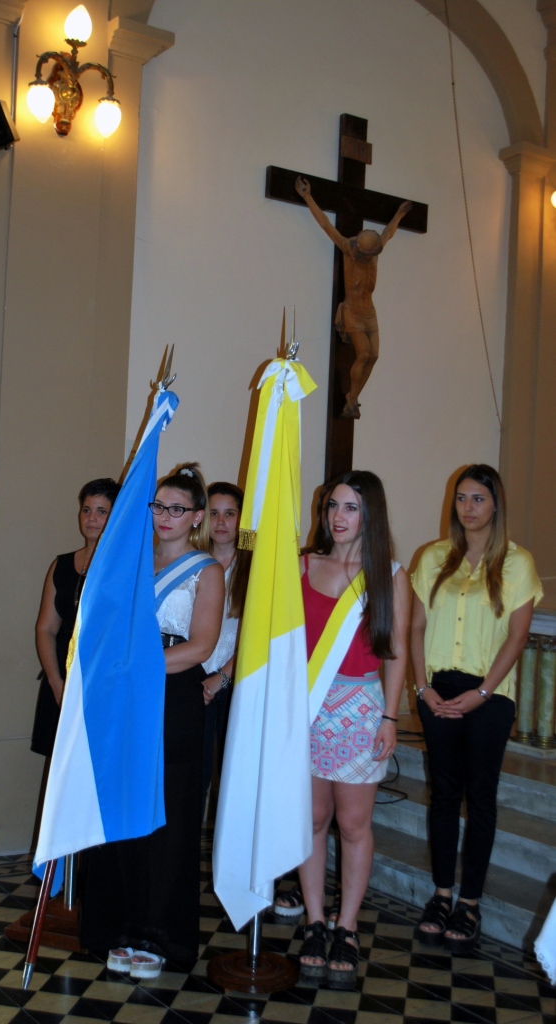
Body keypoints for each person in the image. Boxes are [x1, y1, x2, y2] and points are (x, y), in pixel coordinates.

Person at [80, 464, 224, 976]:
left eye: (178, 509)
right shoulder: (130, 559)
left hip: (170, 695)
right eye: (158, 506)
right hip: (122, 692)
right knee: (119, 811)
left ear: (197, 517)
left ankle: (159, 936)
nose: (165, 516)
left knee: (168, 818)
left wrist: (136, 666)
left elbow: (203, 646)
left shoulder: (206, 570)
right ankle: (116, 926)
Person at [411, 465, 543, 954]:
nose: (468, 508)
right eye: (462, 499)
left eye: (478, 499)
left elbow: (517, 635)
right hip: (437, 692)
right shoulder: (433, 558)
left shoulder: (516, 562)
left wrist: (484, 692)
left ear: (495, 505)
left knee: (480, 798)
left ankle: (470, 902)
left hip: (489, 697)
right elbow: (417, 627)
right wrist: (422, 687)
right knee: (443, 796)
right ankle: (441, 895)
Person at [296, 471, 410, 988]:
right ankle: (315, 920)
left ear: (371, 515)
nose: (338, 518)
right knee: (313, 818)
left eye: (350, 509)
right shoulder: (304, 564)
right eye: (333, 507)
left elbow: (397, 651)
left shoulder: (389, 574)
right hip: (307, 705)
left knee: (354, 824)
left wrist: (390, 716)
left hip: (360, 706)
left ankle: (347, 926)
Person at [294, 175, 411, 419]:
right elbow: (326, 224)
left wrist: (398, 216)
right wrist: (307, 196)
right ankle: (353, 399)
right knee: (364, 354)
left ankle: (353, 397)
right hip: (352, 311)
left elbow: (388, 233)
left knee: (375, 355)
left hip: (370, 312)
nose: (371, 256)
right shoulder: (349, 249)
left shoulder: (374, 252)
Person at [31, 478, 120, 759]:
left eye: (101, 511)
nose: (92, 518)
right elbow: (46, 628)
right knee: (59, 767)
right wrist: (58, 685)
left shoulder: (124, 567)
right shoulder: (61, 564)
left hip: (103, 683)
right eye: (86, 509)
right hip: (61, 680)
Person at [200, 482, 252, 815]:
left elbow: (257, 633)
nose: (221, 522)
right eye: (214, 513)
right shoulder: (191, 562)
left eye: (230, 514)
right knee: (196, 773)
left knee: (236, 776)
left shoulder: (256, 568)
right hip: (194, 679)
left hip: (238, 681)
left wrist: (223, 676)